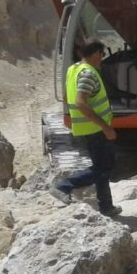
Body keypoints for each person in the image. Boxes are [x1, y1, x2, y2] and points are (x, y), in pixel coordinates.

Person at [49, 39, 121, 216]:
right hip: (95, 129)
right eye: (102, 54)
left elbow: (67, 96)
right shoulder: (88, 73)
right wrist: (105, 127)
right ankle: (63, 186)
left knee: (100, 167)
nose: (103, 58)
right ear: (96, 53)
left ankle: (106, 207)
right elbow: (80, 102)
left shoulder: (74, 69)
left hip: (85, 128)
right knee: (103, 169)